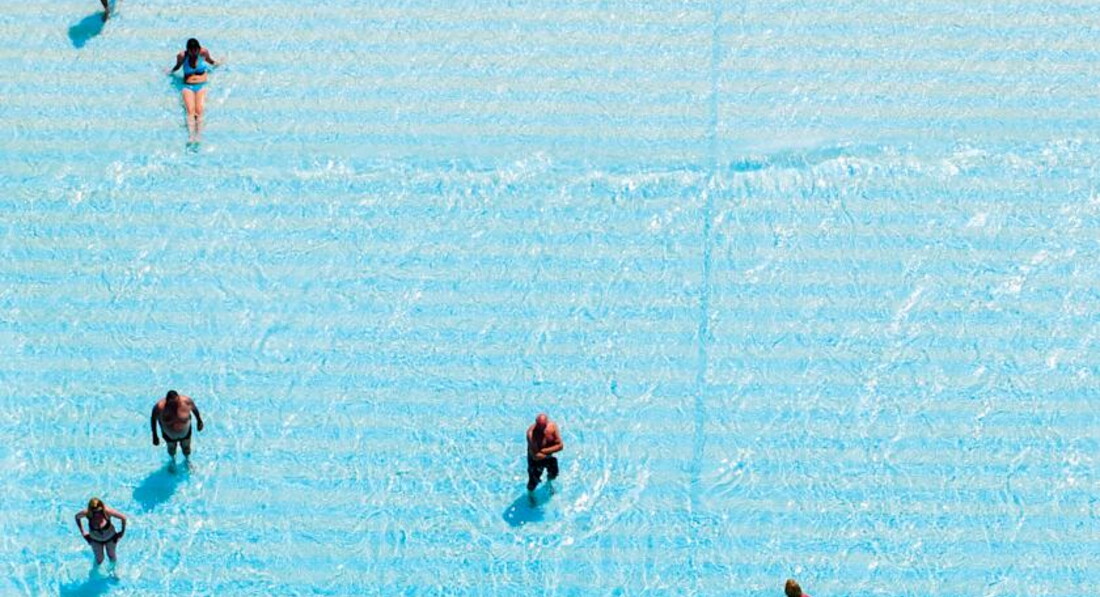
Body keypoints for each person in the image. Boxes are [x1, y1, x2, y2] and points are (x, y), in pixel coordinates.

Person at [166, 38, 219, 143]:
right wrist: (169, 71)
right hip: (187, 86)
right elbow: (177, 67)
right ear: (187, 50)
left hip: (201, 85)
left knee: (199, 111)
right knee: (190, 111)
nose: (194, 53)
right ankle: (191, 136)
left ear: (199, 49)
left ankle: (198, 136)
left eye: (196, 50)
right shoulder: (182, 56)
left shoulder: (203, 52)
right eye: (191, 51)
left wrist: (220, 62)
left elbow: (211, 61)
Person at [151, 390, 204, 460]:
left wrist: (199, 421)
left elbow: (195, 410)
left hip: (185, 434)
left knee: (187, 449)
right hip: (169, 436)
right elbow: (153, 420)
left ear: (179, 398)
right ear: (167, 401)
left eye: (176, 402)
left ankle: (187, 460)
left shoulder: (187, 402)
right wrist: (154, 435)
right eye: (172, 403)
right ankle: (172, 461)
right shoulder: (159, 408)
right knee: (171, 451)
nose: (174, 405)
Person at [75, 498, 127, 566]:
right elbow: (77, 517)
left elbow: (123, 518)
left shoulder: (107, 512)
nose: (97, 514)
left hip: (110, 538)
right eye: (95, 512)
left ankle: (113, 570)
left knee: (112, 557)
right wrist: (83, 532)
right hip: (95, 540)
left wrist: (122, 532)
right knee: (99, 559)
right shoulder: (88, 513)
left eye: (99, 511)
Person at [526, 413, 564, 496]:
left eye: (543, 426)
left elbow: (560, 446)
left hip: (547, 456)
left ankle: (548, 483)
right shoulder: (531, 434)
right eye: (539, 426)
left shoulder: (552, 427)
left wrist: (543, 451)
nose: (541, 429)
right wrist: (550, 450)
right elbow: (536, 456)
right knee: (533, 481)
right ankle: (530, 494)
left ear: (547, 423)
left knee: (554, 473)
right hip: (535, 461)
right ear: (536, 424)